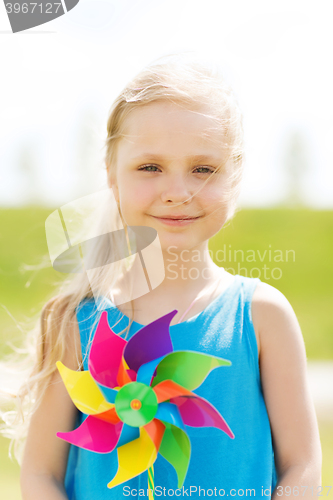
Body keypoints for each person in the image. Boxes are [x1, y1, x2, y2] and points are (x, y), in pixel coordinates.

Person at [8, 55, 322, 499]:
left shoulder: (262, 316)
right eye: (150, 167)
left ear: (234, 179)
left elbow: (302, 467)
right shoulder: (74, 321)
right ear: (112, 177)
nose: (178, 192)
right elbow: (40, 474)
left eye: (203, 169)